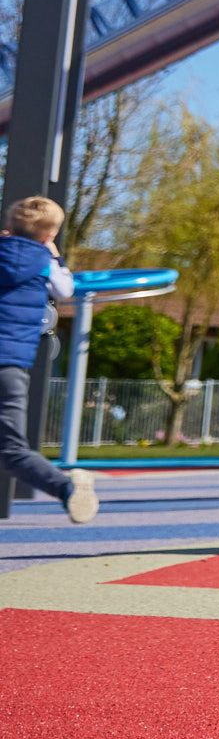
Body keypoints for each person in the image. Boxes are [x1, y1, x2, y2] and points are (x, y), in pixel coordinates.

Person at [0, 198, 93, 524]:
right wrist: (56, 256)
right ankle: (66, 489)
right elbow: (66, 290)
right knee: (12, 448)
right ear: (49, 233)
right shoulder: (44, 261)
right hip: (10, 366)